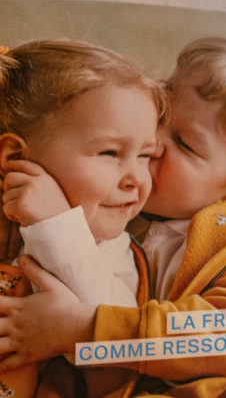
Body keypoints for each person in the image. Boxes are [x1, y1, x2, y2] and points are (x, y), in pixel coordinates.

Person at [0, 37, 226, 397]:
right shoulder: (122, 203)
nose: (152, 141)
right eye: (161, 117)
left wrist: (83, 329)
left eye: (184, 143)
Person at [0, 40, 166, 397]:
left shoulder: (112, 250)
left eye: (145, 156)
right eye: (110, 153)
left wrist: (58, 227)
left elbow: (117, 350)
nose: (136, 179)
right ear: (15, 157)